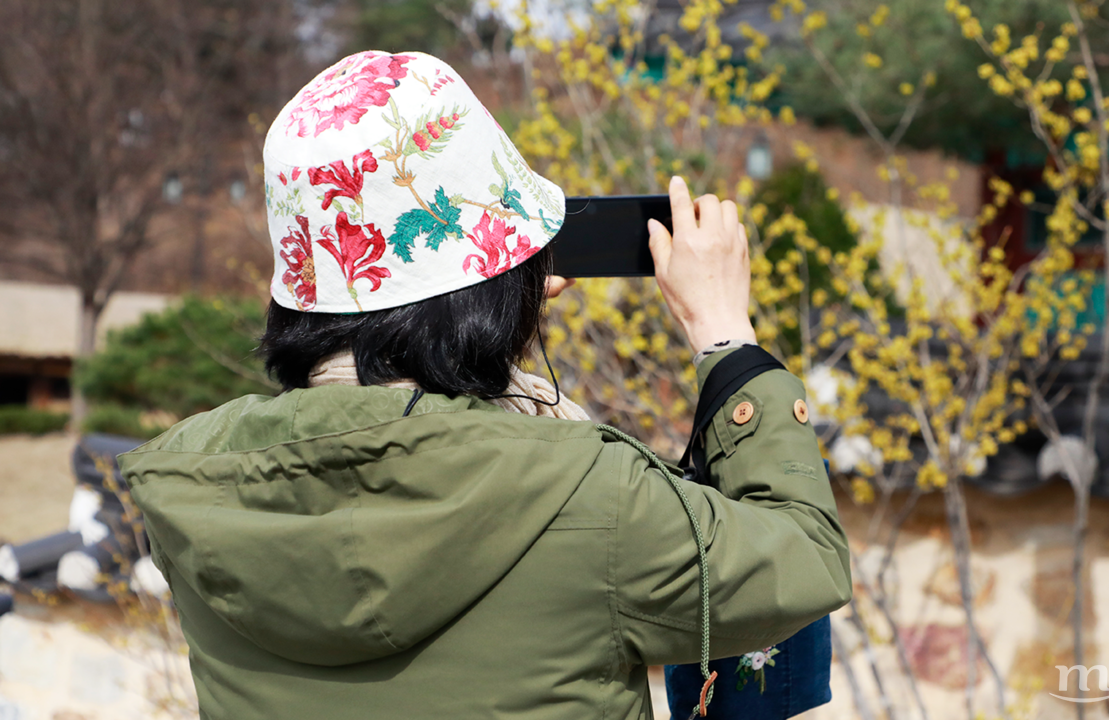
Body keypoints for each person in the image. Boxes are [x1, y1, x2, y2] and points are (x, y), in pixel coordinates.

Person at [120, 51, 852, 720]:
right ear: (489, 284)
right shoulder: (591, 493)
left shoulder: (189, 482)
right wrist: (727, 338)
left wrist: (488, 342)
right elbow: (806, 558)